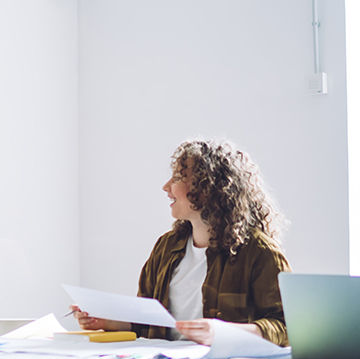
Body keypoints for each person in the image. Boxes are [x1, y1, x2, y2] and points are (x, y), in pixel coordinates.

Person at [71, 140, 290, 346]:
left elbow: (286, 328)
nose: (166, 187)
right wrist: (106, 322)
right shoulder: (166, 247)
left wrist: (223, 333)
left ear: (208, 187)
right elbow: (147, 322)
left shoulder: (260, 253)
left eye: (177, 177)